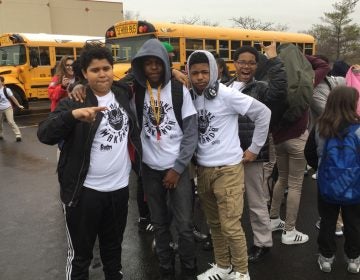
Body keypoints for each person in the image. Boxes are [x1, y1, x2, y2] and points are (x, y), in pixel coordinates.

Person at [37, 44, 141, 280]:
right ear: (84, 73)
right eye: (95, 70)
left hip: (119, 189)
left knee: (113, 249)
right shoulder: (75, 101)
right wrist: (72, 116)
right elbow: (44, 134)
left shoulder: (123, 92)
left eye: (106, 68)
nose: (102, 74)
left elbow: (146, 72)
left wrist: (176, 71)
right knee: (80, 256)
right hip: (84, 192)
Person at [188, 50, 271, 280]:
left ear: (215, 71)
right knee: (215, 225)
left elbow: (263, 113)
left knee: (231, 226)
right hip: (203, 169)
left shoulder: (226, 94)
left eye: (205, 72)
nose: (200, 77)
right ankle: (223, 266)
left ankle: (242, 271)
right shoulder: (191, 96)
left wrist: (254, 148)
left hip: (228, 169)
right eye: (195, 73)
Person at [131, 38, 198, 280]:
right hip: (150, 169)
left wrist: (178, 168)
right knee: (159, 224)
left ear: (165, 64)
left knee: (184, 226)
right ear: (140, 67)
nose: (154, 68)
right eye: (147, 64)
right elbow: (110, 83)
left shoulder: (180, 90)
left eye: (158, 63)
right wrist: (79, 87)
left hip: (176, 169)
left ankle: (189, 269)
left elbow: (191, 133)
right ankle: (166, 269)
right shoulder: (136, 90)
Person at [227, 43, 287, 263]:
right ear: (234, 63)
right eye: (242, 61)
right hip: (226, 154)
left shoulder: (260, 88)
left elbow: (280, 91)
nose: (246, 66)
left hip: (253, 154)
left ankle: (263, 243)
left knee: (256, 201)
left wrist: (273, 60)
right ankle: (225, 240)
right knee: (226, 202)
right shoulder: (224, 86)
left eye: (252, 63)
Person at [304, 86, 360, 274]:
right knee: (353, 221)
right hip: (354, 183)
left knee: (327, 219)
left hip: (327, 182)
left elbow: (309, 152)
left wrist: (321, 169)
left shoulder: (321, 125)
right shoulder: (359, 127)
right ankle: (354, 259)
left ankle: (326, 257)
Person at [269, 43, 313, 245]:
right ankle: (289, 230)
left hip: (278, 138)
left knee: (282, 178)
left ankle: (273, 219)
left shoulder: (275, 80)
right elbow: (323, 64)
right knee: (295, 184)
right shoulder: (304, 80)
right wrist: (302, 59)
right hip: (297, 138)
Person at [0, 76, 24, 142]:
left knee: (11, 121)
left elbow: (13, 98)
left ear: (2, 82)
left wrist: (19, 105)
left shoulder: (6, 90)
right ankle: (0, 134)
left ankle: (18, 135)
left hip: (8, 108)